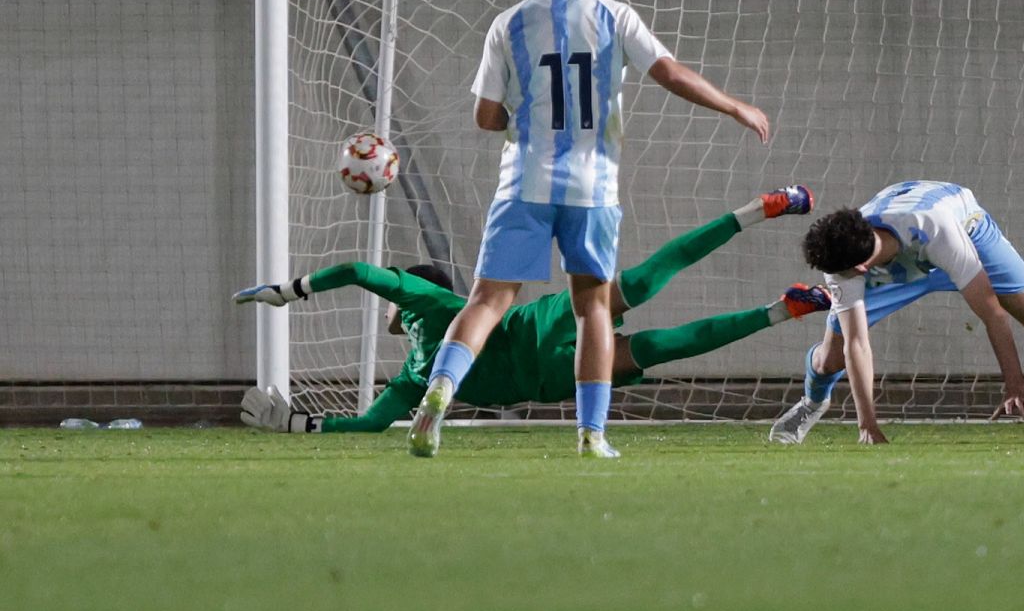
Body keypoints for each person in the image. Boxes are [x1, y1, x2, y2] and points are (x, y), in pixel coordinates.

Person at [410, 0, 771, 459]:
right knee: (592, 309)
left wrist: (514, 118)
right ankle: (591, 433)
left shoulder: (508, 24)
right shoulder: (613, 16)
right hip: (591, 190)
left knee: (486, 301)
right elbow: (669, 73)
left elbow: (484, 117)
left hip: (523, 186)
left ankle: (439, 391)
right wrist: (734, 106)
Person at [235, 191, 826, 433]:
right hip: (540, 326)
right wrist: (293, 290)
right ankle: (757, 212)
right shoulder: (438, 313)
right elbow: (359, 274)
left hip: (545, 378)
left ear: (405, 293)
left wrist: (300, 424)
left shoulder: (418, 358)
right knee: (644, 283)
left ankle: (780, 312)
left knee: (664, 346)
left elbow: (365, 425)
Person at [767, 179, 1024, 445]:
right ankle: (812, 404)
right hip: (895, 263)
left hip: (969, 235)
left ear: (861, 268)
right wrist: (866, 423)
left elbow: (993, 313)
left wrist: (1014, 385)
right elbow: (857, 345)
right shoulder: (842, 262)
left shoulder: (938, 231)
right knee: (829, 359)